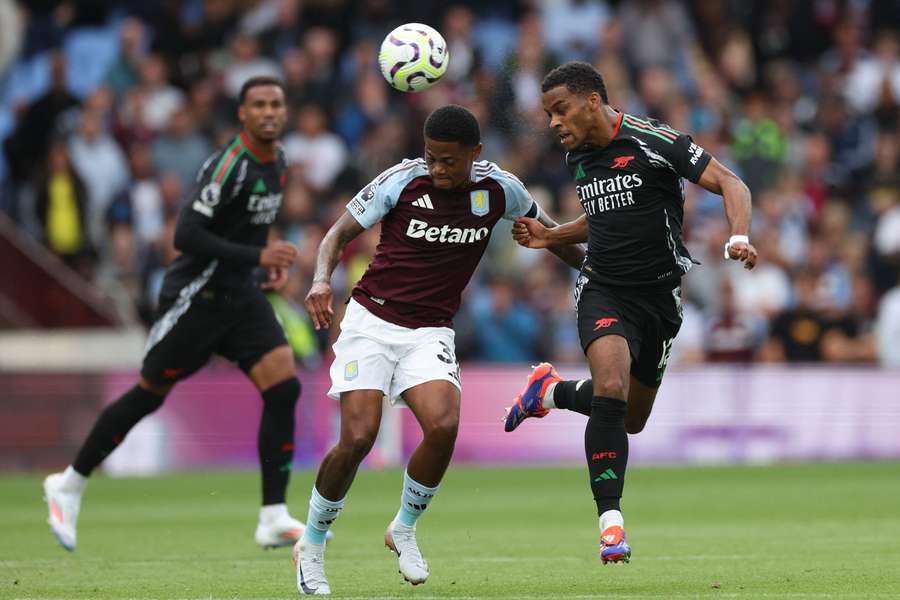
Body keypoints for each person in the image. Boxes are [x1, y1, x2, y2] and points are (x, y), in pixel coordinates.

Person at [295, 104, 584, 595]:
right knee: (359, 438)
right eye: (432, 158)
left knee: (444, 425)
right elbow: (337, 234)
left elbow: (552, 235)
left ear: (475, 153)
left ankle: (404, 528)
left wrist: (596, 270)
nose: (438, 169)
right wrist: (322, 279)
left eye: (449, 161)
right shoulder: (402, 180)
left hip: (430, 330)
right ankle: (313, 542)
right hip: (371, 320)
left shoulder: (501, 189)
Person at [42, 76, 313, 552]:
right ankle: (69, 483)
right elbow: (186, 234)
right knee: (149, 394)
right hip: (196, 298)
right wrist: (256, 257)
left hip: (241, 298)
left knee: (284, 386)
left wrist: (263, 260)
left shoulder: (280, 162)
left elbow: (250, 226)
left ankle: (272, 514)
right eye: (259, 105)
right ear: (243, 115)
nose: (270, 112)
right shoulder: (228, 165)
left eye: (277, 104)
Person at [505, 62, 758, 564]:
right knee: (613, 388)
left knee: (631, 417)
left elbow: (732, 183)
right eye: (548, 114)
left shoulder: (653, 139)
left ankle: (548, 392)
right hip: (603, 289)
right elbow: (605, 215)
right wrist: (553, 236)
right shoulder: (578, 155)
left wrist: (739, 235)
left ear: (592, 101)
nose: (553, 122)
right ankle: (611, 527)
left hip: (661, 299)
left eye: (560, 110)